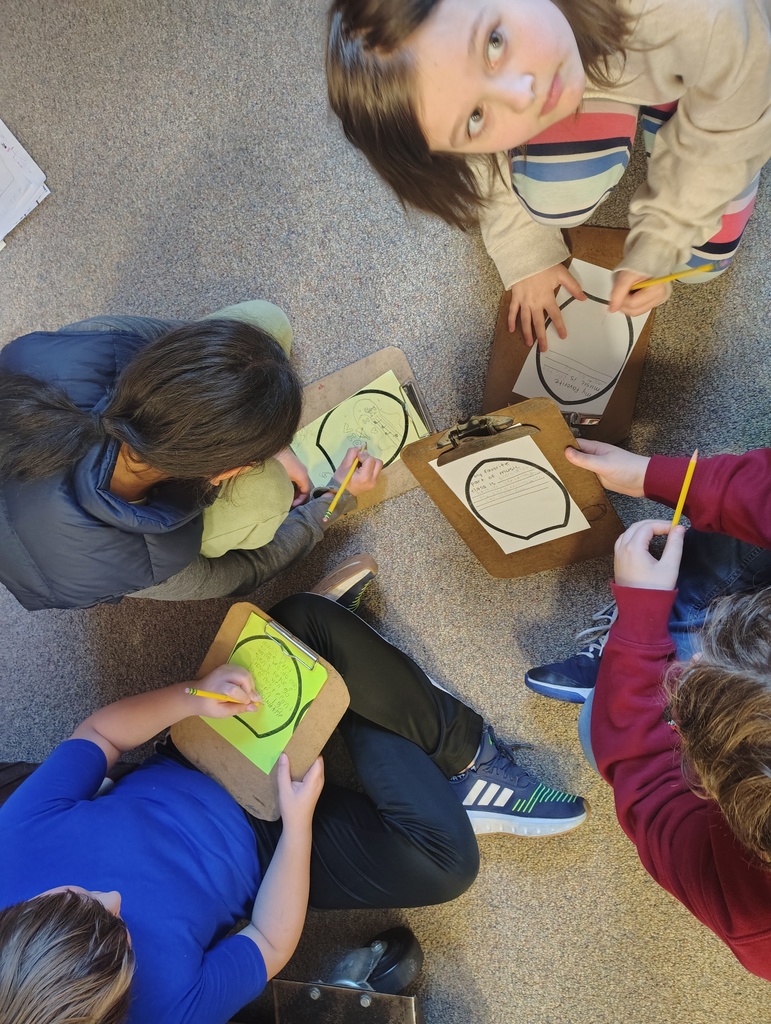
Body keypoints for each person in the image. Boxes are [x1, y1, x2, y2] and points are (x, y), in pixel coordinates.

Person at [0, 565, 587, 1023]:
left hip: (198, 759)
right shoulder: (161, 1011)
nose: (114, 897)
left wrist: (193, 697)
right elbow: (270, 939)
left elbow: (98, 735)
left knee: (304, 619)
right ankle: (341, 688)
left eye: (82, 898)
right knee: (448, 867)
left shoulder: (11, 849)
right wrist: (299, 826)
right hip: (272, 856)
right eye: (119, 929)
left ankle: (465, 754)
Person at [326, 0, 770, 348]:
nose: (523, 96)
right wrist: (524, 249)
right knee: (551, 197)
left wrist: (665, 234)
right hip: (602, 52)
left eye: (493, 43)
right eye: (476, 117)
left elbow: (735, 122)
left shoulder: (700, 14)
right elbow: (478, 160)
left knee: (701, 259)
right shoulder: (492, 52)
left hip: (729, 68)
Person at [525, 440, 771, 979]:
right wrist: (665, 479)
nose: (702, 657)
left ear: (714, 789)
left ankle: (634, 650)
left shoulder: (756, 920)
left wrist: (639, 625)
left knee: (599, 726)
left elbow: (647, 785)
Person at [0, 301, 382, 611]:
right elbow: (242, 572)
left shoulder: (99, 342)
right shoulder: (137, 560)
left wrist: (262, 436)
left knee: (266, 321)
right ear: (223, 473)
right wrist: (332, 499)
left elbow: (190, 347)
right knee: (269, 494)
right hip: (57, 558)